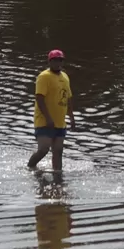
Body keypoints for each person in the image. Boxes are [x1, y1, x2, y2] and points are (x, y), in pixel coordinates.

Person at [29, 49, 73, 178]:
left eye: (60, 60)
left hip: (60, 120)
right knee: (43, 149)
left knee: (58, 151)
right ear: (50, 62)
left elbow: (68, 97)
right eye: (55, 60)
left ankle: (57, 177)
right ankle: (30, 167)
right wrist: (48, 118)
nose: (58, 63)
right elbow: (39, 98)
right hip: (44, 120)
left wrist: (71, 116)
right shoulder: (44, 76)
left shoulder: (65, 76)